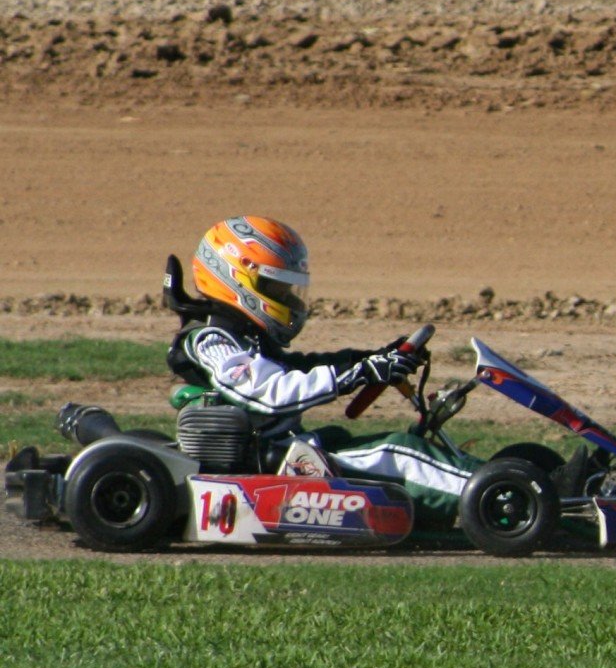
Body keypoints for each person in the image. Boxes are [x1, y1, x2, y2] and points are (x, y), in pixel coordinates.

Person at [166, 216, 470, 524]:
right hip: (267, 460)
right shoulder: (210, 339)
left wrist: (372, 360)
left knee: (351, 440)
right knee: (398, 453)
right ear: (233, 277)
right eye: (275, 288)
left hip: (286, 447)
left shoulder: (242, 335)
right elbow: (271, 393)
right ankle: (496, 491)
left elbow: (300, 368)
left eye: (287, 290)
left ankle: (500, 477)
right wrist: (359, 373)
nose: (285, 298)